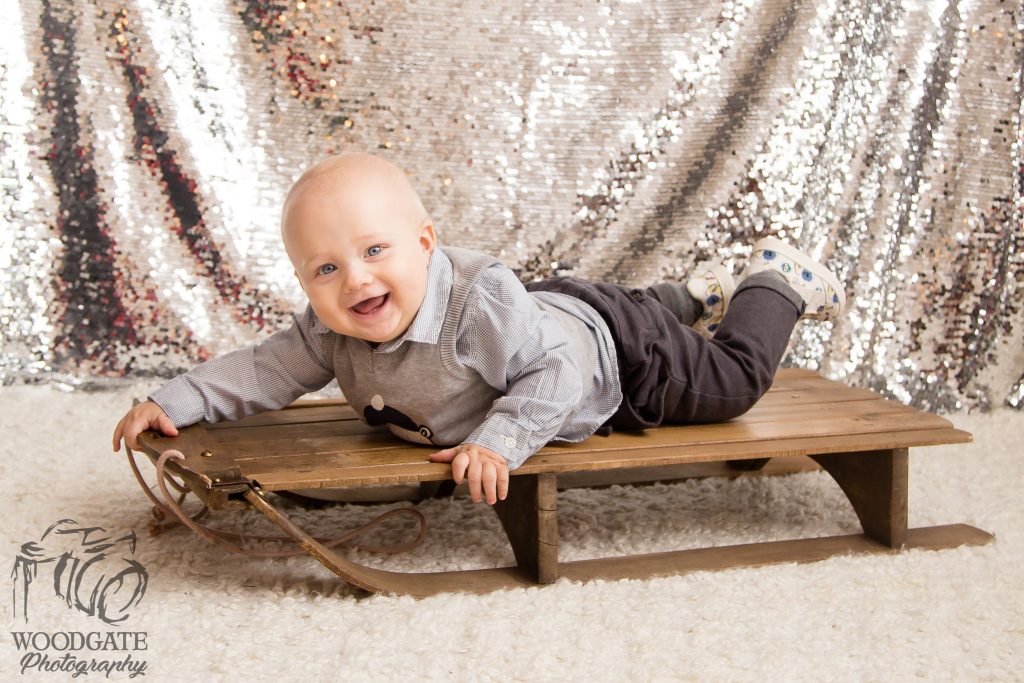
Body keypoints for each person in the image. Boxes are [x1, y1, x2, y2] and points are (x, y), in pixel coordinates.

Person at [112, 153, 845, 507]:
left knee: (734, 383)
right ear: (305, 283)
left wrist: (498, 441)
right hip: (547, 310)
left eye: (375, 251)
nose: (356, 281)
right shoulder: (329, 332)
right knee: (574, 317)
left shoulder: (477, 302)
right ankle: (691, 295)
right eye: (326, 269)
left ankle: (773, 281)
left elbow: (555, 372)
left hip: (618, 358)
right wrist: (172, 401)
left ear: (425, 243)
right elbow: (261, 369)